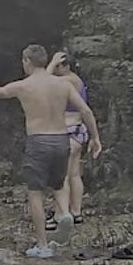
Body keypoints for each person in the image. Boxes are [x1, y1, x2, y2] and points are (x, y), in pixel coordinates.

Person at [0, 43, 102, 259]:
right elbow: (85, 110)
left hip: (39, 142)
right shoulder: (63, 85)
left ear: (27, 62)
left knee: (35, 192)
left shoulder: (23, 86)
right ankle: (65, 213)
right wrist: (95, 138)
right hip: (62, 140)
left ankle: (42, 245)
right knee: (58, 183)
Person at [46, 50, 90, 228]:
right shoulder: (77, 81)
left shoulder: (69, 80)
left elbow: (43, 81)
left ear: (66, 66)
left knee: (61, 175)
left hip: (69, 130)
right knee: (74, 174)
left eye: (58, 65)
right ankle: (76, 211)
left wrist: (50, 64)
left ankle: (60, 214)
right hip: (78, 130)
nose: (55, 69)